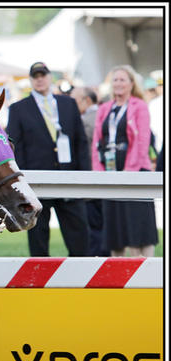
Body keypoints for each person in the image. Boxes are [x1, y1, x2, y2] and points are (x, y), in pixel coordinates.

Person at [6, 61, 91, 257]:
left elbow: (80, 142)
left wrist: (84, 176)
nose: (39, 79)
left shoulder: (68, 104)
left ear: (49, 77)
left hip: (69, 178)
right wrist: (22, 182)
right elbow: (14, 147)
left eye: (42, 75)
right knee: (38, 235)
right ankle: (39, 278)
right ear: (30, 80)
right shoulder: (19, 108)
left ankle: (83, 277)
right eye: (35, 76)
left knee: (78, 233)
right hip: (37, 181)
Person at [91, 65, 157, 257]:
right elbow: (97, 141)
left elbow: (142, 141)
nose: (118, 83)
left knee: (138, 224)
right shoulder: (105, 108)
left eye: (122, 80)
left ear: (131, 84)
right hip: (111, 170)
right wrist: (99, 171)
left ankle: (144, 264)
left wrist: (129, 173)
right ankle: (116, 266)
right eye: (115, 80)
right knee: (115, 226)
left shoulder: (139, 106)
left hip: (135, 171)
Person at [71, 85, 108, 256]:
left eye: (74, 101)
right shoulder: (103, 115)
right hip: (104, 181)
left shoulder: (87, 120)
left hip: (92, 182)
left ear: (86, 100)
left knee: (94, 229)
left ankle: (96, 262)